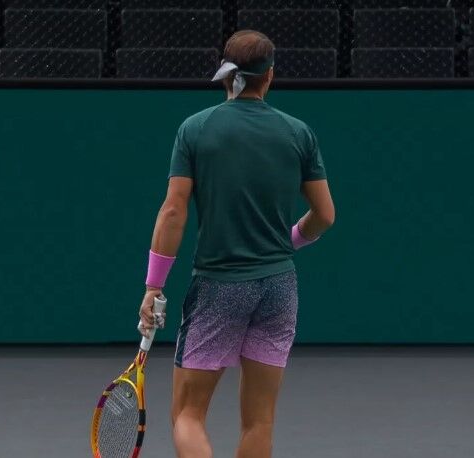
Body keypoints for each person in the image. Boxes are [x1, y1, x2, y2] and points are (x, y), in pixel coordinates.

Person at [137, 30, 335, 458]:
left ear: (226, 73)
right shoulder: (298, 133)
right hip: (279, 287)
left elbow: (173, 211)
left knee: (187, 415)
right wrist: (289, 241)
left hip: (219, 287)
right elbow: (325, 215)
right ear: (270, 76)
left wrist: (154, 286)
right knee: (260, 421)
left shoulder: (196, 129)